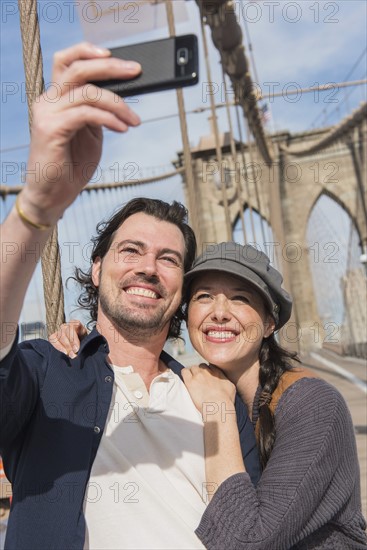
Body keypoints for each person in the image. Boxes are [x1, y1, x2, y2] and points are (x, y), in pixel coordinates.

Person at [0, 43, 260, 550]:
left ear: (183, 287)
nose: (148, 267)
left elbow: (254, 529)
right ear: (96, 270)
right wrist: (37, 205)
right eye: (131, 250)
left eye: (168, 259)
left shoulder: (215, 397)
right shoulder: (45, 373)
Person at [54, 241, 367, 548]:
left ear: (270, 323)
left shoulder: (312, 405)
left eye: (240, 299)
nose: (219, 313)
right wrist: (88, 345)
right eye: (204, 297)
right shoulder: (195, 390)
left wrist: (219, 409)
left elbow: (246, 541)